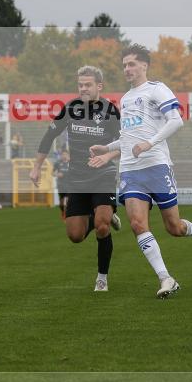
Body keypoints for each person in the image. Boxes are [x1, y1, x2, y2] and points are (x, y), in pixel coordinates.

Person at [90, 44, 192, 299]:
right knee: (137, 223)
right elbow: (128, 137)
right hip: (131, 171)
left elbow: (176, 121)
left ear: (144, 65)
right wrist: (108, 149)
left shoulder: (157, 89)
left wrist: (150, 143)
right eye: (124, 64)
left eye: (132, 64)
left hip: (157, 166)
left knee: (174, 227)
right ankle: (166, 278)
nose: (127, 68)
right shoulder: (125, 99)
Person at [30, 66, 122, 292]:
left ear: (99, 86)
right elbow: (49, 135)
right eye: (80, 85)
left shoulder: (111, 111)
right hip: (77, 178)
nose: (83, 88)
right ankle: (106, 215)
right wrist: (36, 167)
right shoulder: (70, 108)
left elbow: (125, 142)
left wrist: (108, 155)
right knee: (75, 235)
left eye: (88, 84)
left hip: (104, 174)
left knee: (101, 227)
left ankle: (102, 278)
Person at [52, 149, 71, 221]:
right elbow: (52, 173)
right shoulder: (57, 163)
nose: (64, 156)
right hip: (61, 184)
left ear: (68, 155)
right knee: (62, 201)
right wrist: (57, 174)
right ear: (61, 155)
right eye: (63, 155)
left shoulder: (71, 163)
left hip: (69, 185)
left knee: (69, 199)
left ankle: (68, 214)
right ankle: (63, 211)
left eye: (65, 154)